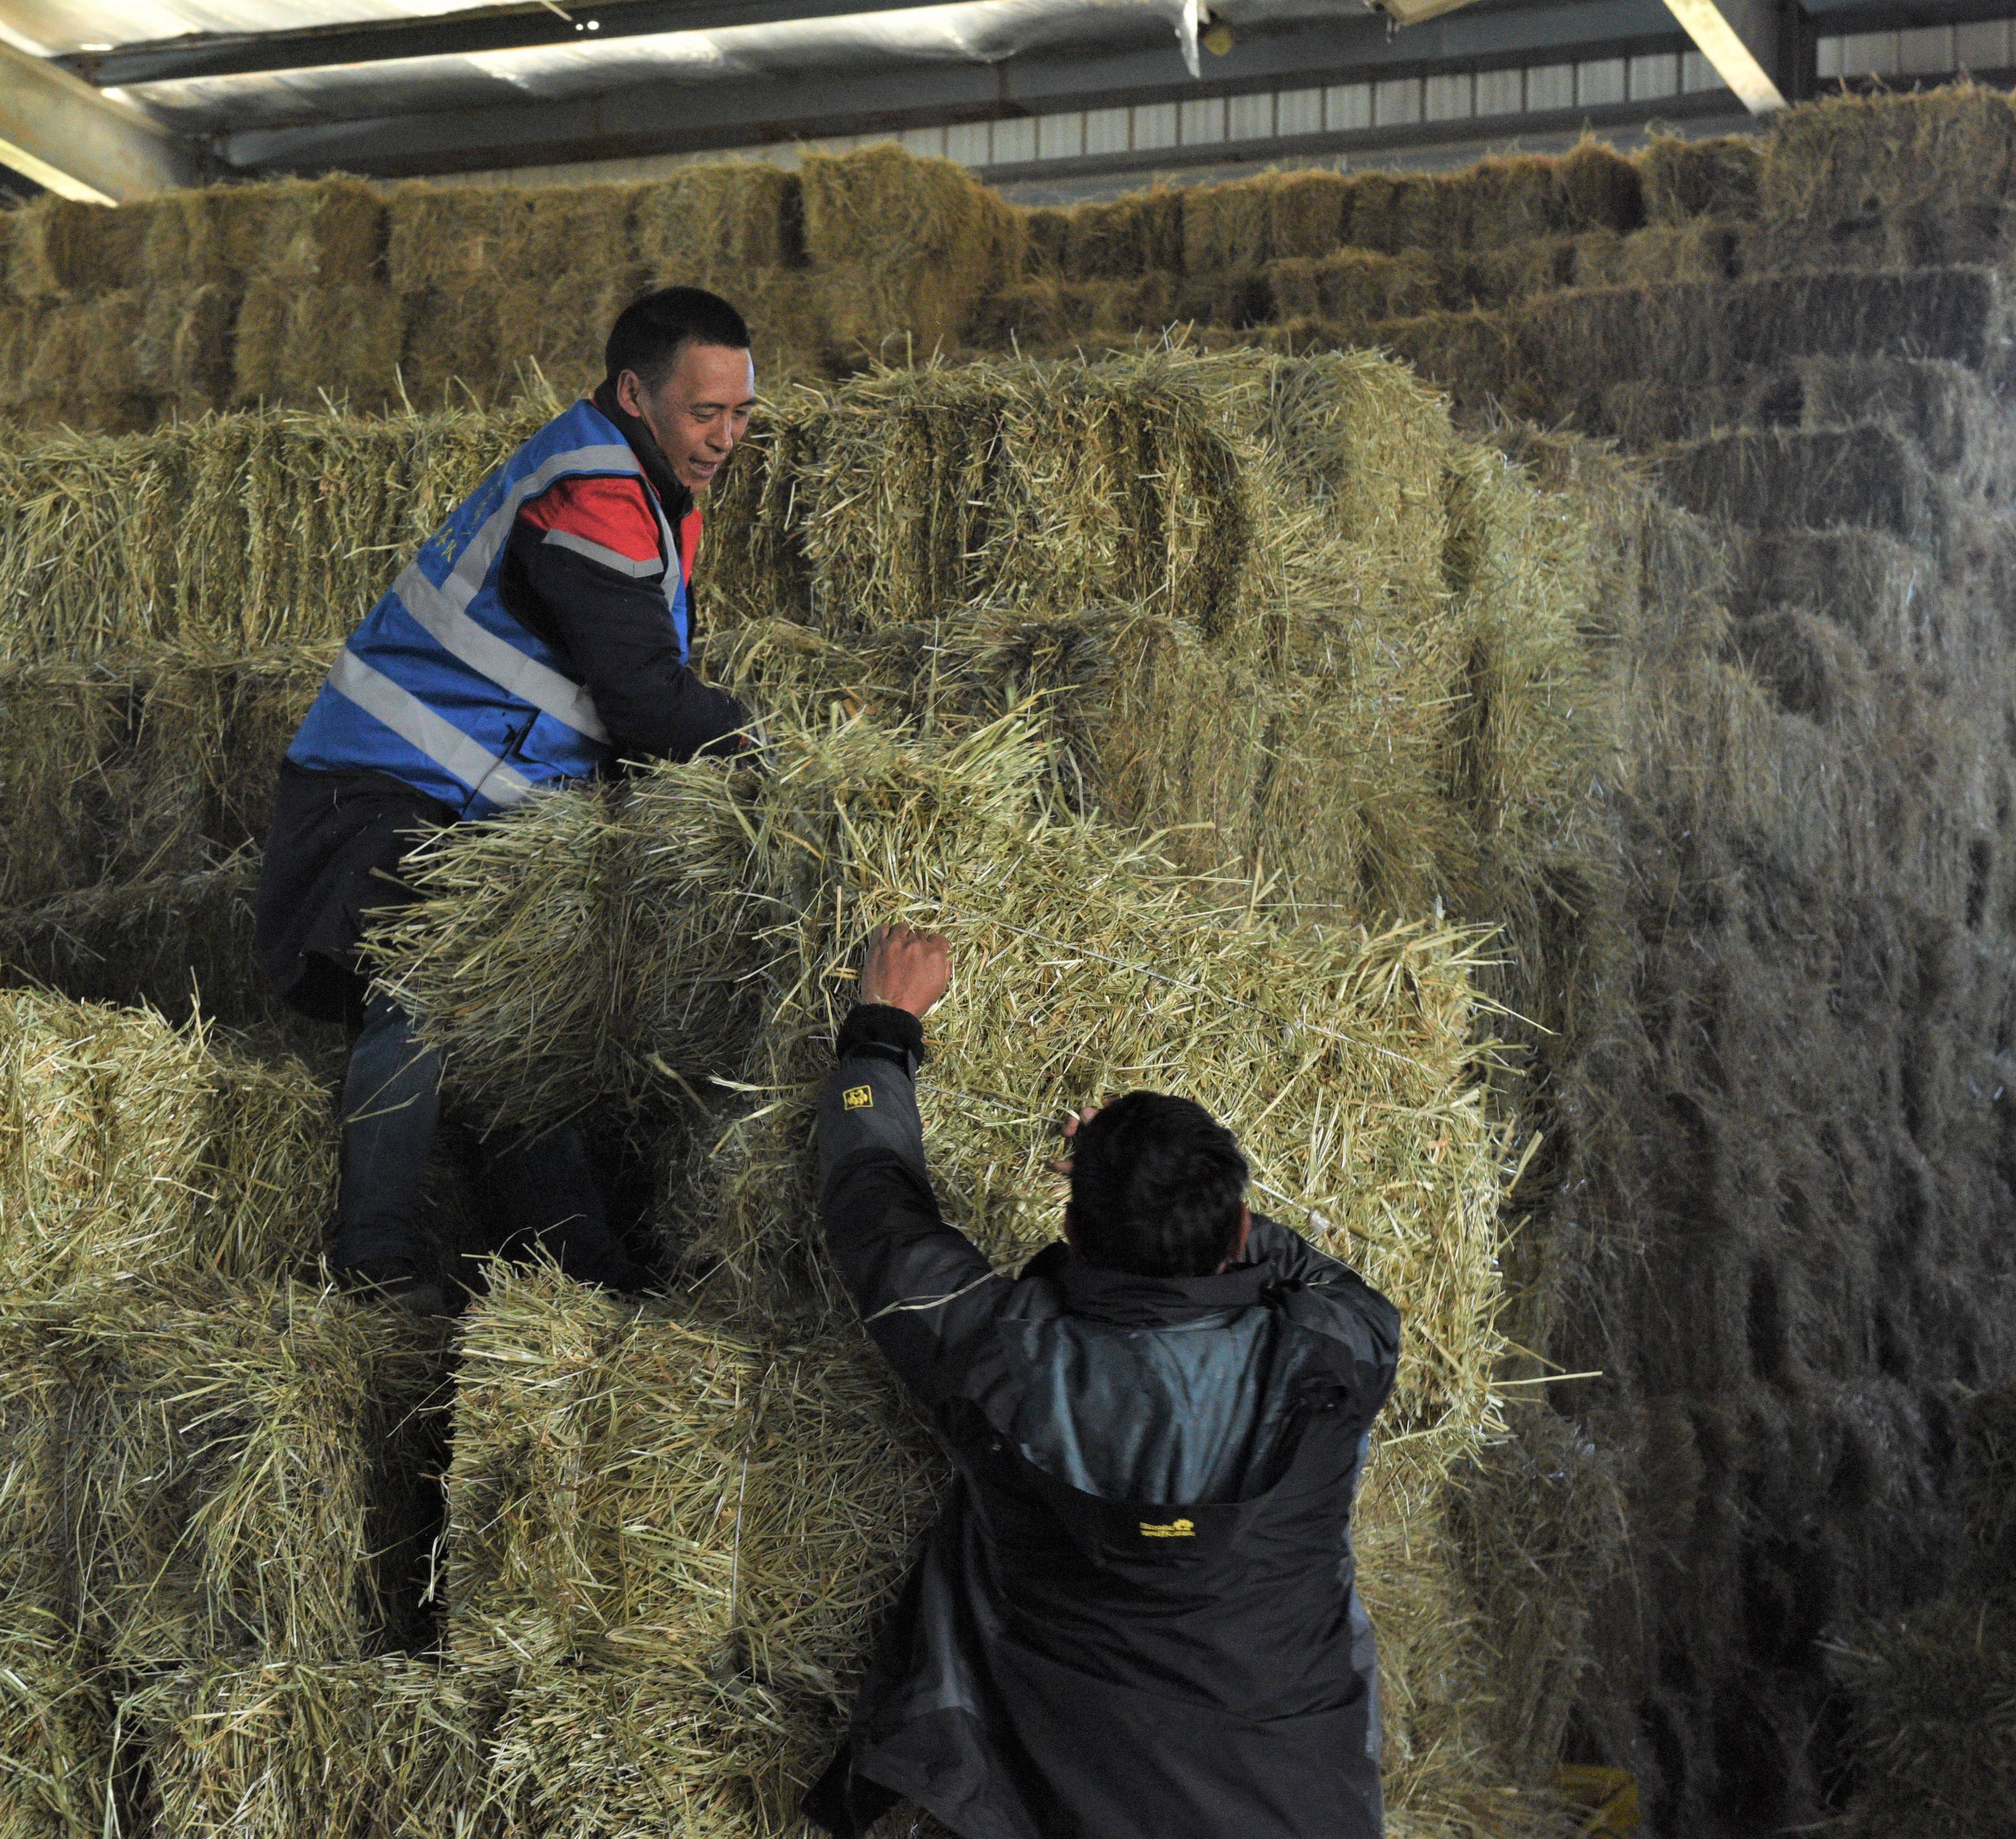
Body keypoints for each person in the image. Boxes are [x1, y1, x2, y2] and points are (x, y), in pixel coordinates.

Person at [807, 922, 1400, 1839]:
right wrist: (1181, 1195)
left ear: (1075, 1237)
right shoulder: (1336, 1358)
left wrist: (882, 1035)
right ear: (1241, 1234)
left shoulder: (1003, 1362)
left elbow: (874, 1213)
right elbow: (1323, 1278)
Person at [253, 285, 758, 1313]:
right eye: (706, 412)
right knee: (426, 996)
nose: (727, 436)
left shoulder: (649, 490)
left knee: (523, 1028)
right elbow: (645, 701)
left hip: (469, 792)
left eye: (743, 412)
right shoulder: (596, 490)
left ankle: (582, 1267)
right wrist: (777, 759)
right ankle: (376, 1270)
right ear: (634, 392)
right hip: (389, 780)